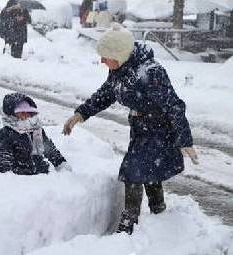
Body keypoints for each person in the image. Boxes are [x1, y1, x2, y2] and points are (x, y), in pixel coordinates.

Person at [63, 23, 199, 235]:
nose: (102, 60)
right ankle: (159, 214)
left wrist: (185, 140)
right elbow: (106, 93)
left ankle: (128, 227)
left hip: (159, 129)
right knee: (149, 171)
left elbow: (174, 106)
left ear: (119, 54)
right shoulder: (119, 70)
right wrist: (81, 113)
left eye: (106, 56)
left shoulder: (150, 73)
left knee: (133, 171)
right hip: (140, 128)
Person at [0, 93, 72, 175]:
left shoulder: (36, 129)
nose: (26, 115)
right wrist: (10, 178)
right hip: (22, 177)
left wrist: (60, 163)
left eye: (28, 111)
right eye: (21, 112)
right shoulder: (7, 133)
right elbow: (4, 160)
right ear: (12, 114)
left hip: (42, 173)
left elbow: (48, 148)